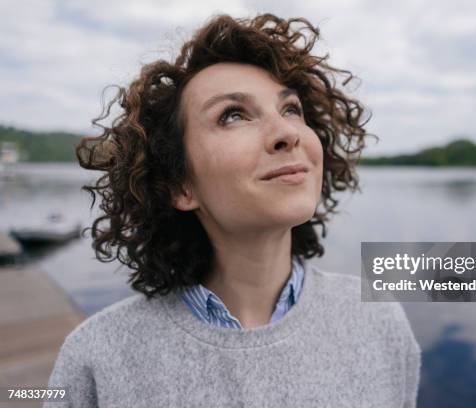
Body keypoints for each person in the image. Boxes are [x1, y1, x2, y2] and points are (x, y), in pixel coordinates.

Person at [45, 13, 421, 407]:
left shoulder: (380, 321)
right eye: (233, 115)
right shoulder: (97, 358)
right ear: (179, 185)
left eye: (291, 109)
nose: (287, 132)